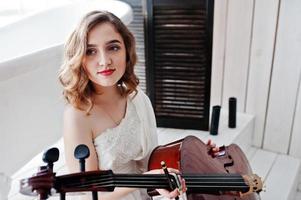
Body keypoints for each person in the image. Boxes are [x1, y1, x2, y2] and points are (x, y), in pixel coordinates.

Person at [59, 10, 218, 200]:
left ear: (127, 51)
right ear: (79, 59)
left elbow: (151, 160)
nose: (104, 61)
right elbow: (87, 193)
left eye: (113, 47)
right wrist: (144, 180)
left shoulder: (137, 98)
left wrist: (197, 156)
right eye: (91, 51)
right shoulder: (77, 115)